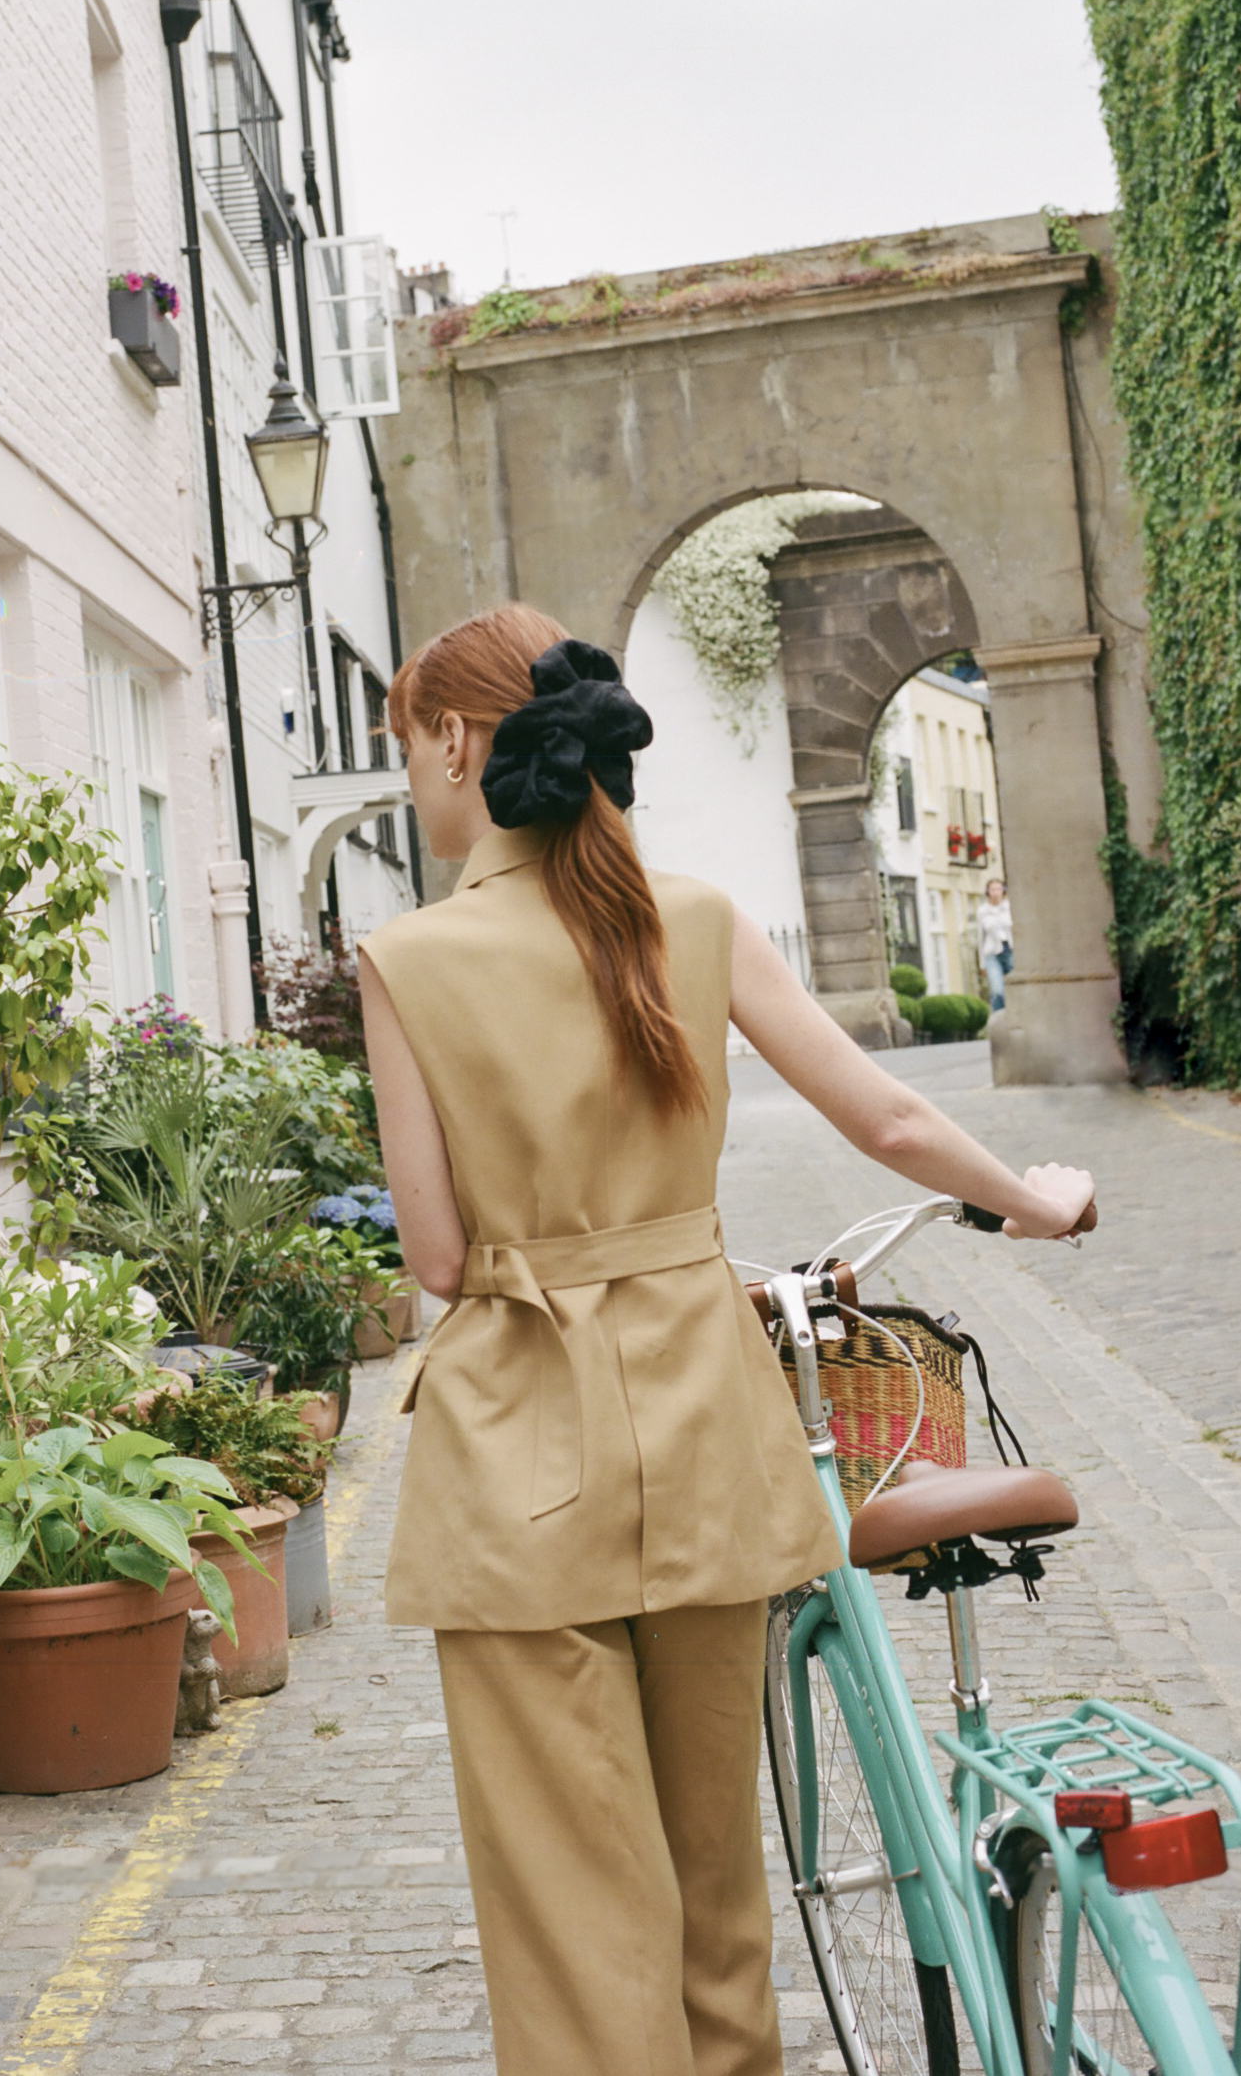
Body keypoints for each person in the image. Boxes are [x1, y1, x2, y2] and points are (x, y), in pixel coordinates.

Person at [357, 604, 1094, 2076]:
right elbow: (884, 1114)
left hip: (522, 1472)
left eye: (410, 751)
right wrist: (1033, 1197)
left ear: (455, 740)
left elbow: (437, 1258)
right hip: (706, 1436)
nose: (413, 783)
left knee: (576, 1904)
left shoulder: (409, 958)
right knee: (719, 1880)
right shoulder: (690, 918)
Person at [979, 875, 1015, 1011]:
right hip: (992, 952)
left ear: (1003, 891)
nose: (995, 892)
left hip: (1009, 949)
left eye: (998, 889)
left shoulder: (1009, 908)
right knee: (998, 991)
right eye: (992, 889)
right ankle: (999, 1021)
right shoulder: (983, 911)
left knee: (1015, 988)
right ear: (988, 892)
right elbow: (980, 937)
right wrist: (982, 963)